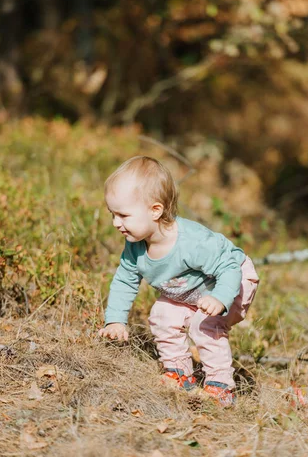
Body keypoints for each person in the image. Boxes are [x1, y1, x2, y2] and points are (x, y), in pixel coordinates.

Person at [99, 156, 259, 406]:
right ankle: (179, 373)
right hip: (190, 291)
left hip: (233, 280)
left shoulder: (191, 242)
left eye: (123, 215)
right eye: (113, 214)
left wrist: (220, 298)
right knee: (162, 314)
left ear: (155, 210)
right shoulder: (135, 248)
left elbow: (228, 266)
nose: (116, 223)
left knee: (204, 325)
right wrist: (116, 321)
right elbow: (124, 281)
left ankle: (220, 386)